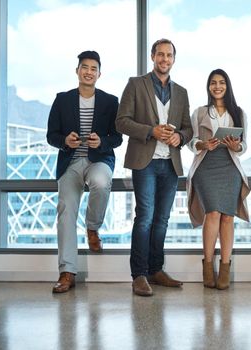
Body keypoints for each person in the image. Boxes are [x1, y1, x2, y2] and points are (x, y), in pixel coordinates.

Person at [116, 38, 193, 297]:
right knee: (145, 217)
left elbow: (188, 129)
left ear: (173, 59)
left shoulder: (181, 92)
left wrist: (179, 137)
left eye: (169, 55)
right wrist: (151, 131)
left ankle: (156, 270)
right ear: (152, 56)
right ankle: (139, 274)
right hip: (145, 162)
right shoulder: (135, 84)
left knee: (162, 220)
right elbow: (121, 122)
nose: (164, 59)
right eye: (160, 54)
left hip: (170, 163)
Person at [46, 50, 123, 293]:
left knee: (101, 182)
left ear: (99, 74)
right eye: (85, 67)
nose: (89, 72)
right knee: (66, 210)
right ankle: (67, 272)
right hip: (70, 162)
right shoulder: (62, 99)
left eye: (93, 69)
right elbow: (51, 136)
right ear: (77, 70)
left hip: (98, 160)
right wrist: (64, 141)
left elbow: (118, 138)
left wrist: (101, 141)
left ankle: (92, 227)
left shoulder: (110, 102)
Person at [186, 69, 250, 290]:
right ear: (208, 87)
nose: (217, 86)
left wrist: (236, 146)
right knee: (212, 213)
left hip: (229, 166)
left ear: (227, 85)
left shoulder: (239, 112)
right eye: (213, 83)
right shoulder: (199, 112)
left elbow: (244, 146)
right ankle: (207, 266)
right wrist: (203, 144)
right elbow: (191, 142)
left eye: (222, 82)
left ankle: (224, 266)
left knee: (228, 217)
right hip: (206, 165)